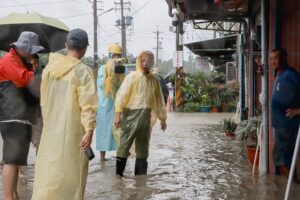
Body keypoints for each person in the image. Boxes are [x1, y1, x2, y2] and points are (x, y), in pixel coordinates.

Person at [32, 29, 98, 200]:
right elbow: (88, 105)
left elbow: (44, 101)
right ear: (85, 48)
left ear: (66, 45)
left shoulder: (49, 69)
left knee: (50, 173)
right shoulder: (82, 71)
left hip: (52, 131)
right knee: (72, 176)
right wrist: (89, 130)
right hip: (74, 133)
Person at [0, 31, 45, 200]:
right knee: (11, 160)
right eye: (32, 50)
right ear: (23, 48)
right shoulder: (8, 61)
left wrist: (34, 66)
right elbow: (25, 80)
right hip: (12, 116)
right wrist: (36, 71)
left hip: (21, 117)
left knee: (16, 159)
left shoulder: (21, 61)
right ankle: (9, 197)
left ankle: (14, 195)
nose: (34, 53)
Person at [114, 51, 167, 177]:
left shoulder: (154, 80)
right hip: (130, 116)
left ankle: (140, 181)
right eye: (143, 61)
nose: (145, 64)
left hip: (145, 118)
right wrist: (118, 114)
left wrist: (163, 119)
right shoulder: (132, 77)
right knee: (124, 145)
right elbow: (122, 96)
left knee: (143, 149)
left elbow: (159, 101)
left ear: (152, 63)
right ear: (139, 61)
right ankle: (118, 177)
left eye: (148, 61)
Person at [270, 47, 300, 177]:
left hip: (288, 126)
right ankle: (291, 189)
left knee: (280, 158)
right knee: (285, 159)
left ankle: (293, 187)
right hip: (281, 126)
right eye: (271, 59)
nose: (273, 62)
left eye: (276, 58)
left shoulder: (291, 75)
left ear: (283, 58)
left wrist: (298, 110)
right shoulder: (279, 74)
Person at [96, 44, 126, 161]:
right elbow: (101, 84)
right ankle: (102, 158)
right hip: (104, 105)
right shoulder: (103, 68)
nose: (116, 58)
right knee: (103, 131)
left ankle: (120, 155)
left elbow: (125, 87)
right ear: (110, 56)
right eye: (114, 55)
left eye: (118, 55)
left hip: (118, 105)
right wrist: (111, 74)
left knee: (119, 130)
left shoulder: (123, 69)